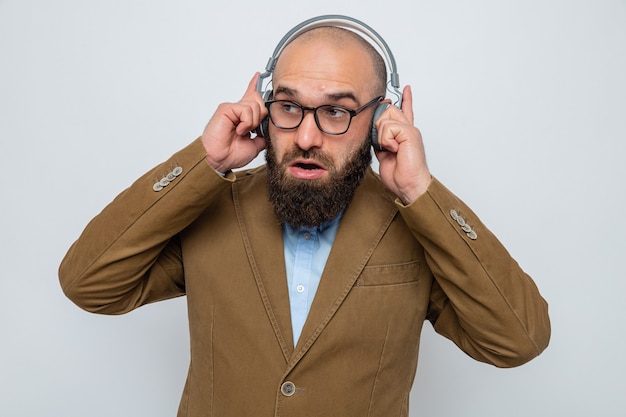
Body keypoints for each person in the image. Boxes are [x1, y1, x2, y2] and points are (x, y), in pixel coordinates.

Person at [59, 15, 550, 417]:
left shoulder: (416, 223)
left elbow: (518, 340)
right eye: (290, 106)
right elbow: (88, 283)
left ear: (382, 119)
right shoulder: (212, 204)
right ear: (266, 106)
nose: (308, 137)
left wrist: (420, 190)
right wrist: (202, 161)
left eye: (337, 112)